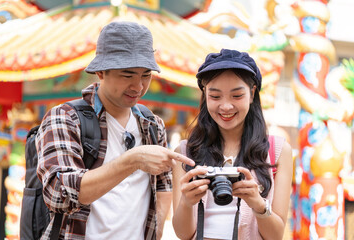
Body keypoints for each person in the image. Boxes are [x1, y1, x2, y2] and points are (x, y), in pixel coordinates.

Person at [35, 21, 194, 240]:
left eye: (146, 75)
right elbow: (59, 194)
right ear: (100, 72)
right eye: (128, 75)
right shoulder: (65, 118)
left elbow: (162, 189)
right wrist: (132, 160)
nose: (138, 86)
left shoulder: (152, 124)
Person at [172, 49, 293, 240]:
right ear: (205, 95)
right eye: (215, 96)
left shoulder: (277, 151)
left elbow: (276, 235)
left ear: (252, 93)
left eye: (237, 96)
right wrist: (186, 203)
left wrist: (257, 203)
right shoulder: (185, 152)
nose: (226, 106)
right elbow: (182, 233)